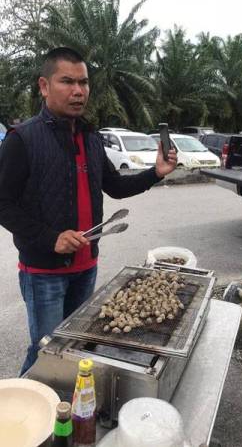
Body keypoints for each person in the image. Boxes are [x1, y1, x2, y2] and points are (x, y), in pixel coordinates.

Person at [0, 47, 178, 374]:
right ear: (44, 86)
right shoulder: (22, 139)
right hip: (44, 273)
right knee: (47, 351)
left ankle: (62, 409)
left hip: (86, 267)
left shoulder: (90, 137)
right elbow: (3, 202)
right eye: (67, 81)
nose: (78, 90)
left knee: (76, 344)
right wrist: (48, 237)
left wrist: (155, 173)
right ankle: (19, 413)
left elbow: (115, 185)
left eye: (83, 82)